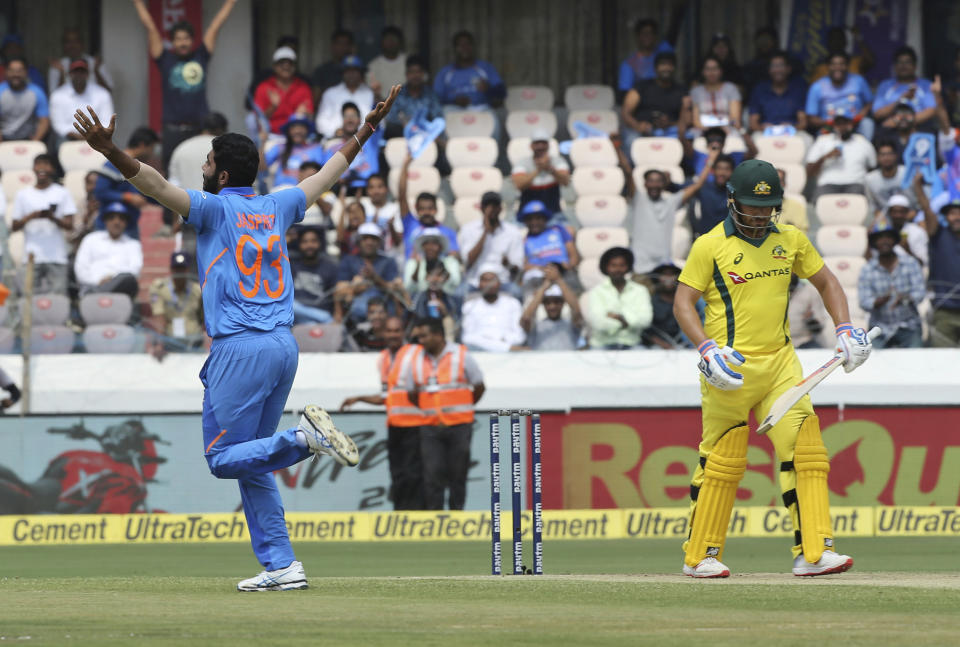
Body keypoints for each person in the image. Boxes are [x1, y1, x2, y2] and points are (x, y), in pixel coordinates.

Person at [72, 84, 402, 590]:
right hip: (283, 347)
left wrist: (110, 152)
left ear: (221, 175)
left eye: (206, 162)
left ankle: (304, 439)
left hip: (240, 347)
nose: (201, 168)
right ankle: (282, 565)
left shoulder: (210, 208)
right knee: (254, 464)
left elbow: (156, 186)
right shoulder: (278, 205)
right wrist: (367, 131)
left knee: (222, 459)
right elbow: (328, 174)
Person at [672, 158, 872, 578]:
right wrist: (706, 349)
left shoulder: (791, 238)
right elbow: (682, 303)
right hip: (730, 367)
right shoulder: (710, 245)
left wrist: (845, 329)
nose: (761, 214)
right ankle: (700, 556)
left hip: (781, 362)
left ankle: (814, 553)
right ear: (732, 202)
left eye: (768, 207)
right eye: (752, 206)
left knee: (807, 451)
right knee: (723, 459)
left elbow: (827, 282)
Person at [132, 0, 237, 168]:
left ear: (192, 40)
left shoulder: (201, 56)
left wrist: (230, 3)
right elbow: (150, 26)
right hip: (173, 129)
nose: (182, 43)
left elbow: (215, 26)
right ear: (172, 42)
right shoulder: (164, 58)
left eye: (186, 39)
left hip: (201, 129)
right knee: (172, 173)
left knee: (205, 171)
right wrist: (138, 3)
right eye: (178, 39)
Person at [340, 315, 425, 510]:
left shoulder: (415, 353)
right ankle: (401, 515)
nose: (393, 335)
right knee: (397, 473)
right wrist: (359, 398)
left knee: (415, 474)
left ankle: (419, 517)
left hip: (416, 423)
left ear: (403, 332)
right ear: (382, 333)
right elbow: (387, 396)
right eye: (389, 331)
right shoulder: (384, 359)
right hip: (395, 425)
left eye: (397, 331)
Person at [400, 316, 484, 510]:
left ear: (438, 335)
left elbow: (479, 386)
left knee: (458, 475)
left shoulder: (461, 354)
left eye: (424, 336)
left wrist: (464, 406)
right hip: (430, 427)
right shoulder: (416, 358)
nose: (420, 341)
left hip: (459, 425)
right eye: (418, 336)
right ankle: (436, 521)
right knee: (432, 475)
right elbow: (412, 393)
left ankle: (456, 517)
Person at [616, 143, 717, 273]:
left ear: (664, 184)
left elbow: (697, 185)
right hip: (639, 266)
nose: (655, 184)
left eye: (658, 181)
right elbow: (628, 172)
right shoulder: (638, 199)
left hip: (663, 268)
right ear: (645, 184)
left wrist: (711, 161)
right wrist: (617, 148)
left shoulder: (671, 202)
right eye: (651, 180)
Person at [10, 153, 76, 294]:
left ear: (52, 169)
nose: (42, 168)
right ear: (33, 168)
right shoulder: (23, 194)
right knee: (28, 299)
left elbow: (70, 225)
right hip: (31, 255)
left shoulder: (62, 193)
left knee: (57, 300)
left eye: (46, 164)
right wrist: (31, 216)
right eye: (38, 163)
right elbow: (14, 226)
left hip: (57, 255)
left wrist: (52, 217)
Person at [857, 228, 925, 348]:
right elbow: (864, 302)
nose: (884, 241)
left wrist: (905, 298)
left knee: (916, 360)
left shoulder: (910, 263)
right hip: (879, 328)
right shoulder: (868, 269)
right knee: (870, 361)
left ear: (895, 241)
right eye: (879, 238)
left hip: (909, 326)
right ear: (874, 243)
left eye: (888, 237)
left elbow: (919, 293)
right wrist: (880, 301)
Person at [92, 126, 160, 238]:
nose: (152, 154)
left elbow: (148, 194)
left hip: (130, 228)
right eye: (152, 148)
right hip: (106, 229)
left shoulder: (140, 167)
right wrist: (128, 197)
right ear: (142, 145)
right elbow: (100, 192)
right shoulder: (113, 163)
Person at [913, 186, 960, 347]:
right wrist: (918, 189)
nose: (957, 217)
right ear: (946, 217)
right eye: (952, 213)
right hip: (944, 310)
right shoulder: (937, 234)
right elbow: (927, 210)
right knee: (943, 361)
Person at [583, 247, 652, 349]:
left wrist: (619, 318)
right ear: (606, 267)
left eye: (622, 265)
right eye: (613, 265)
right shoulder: (596, 292)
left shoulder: (640, 291)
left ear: (628, 267)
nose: (617, 270)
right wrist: (628, 322)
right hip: (602, 345)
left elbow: (646, 320)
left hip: (632, 344)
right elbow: (598, 323)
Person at [335, 222, 404, 321]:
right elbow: (339, 289)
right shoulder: (348, 261)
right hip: (357, 311)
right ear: (358, 241)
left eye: (373, 239)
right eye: (365, 238)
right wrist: (354, 289)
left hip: (384, 308)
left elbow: (395, 289)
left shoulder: (388, 262)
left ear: (379, 242)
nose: (369, 242)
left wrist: (375, 278)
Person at [73, 201, 142, 299]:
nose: (116, 222)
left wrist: (111, 280)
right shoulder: (91, 239)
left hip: (120, 293)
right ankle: (98, 293)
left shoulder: (133, 244)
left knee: (128, 279)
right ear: (105, 220)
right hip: (92, 286)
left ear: (126, 222)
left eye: (121, 218)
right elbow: (81, 268)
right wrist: (98, 281)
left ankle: (98, 293)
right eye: (111, 218)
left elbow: (135, 270)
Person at [621, 51, 689, 150]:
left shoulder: (681, 91)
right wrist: (638, 126)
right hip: (641, 131)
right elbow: (625, 113)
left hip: (670, 131)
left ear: (674, 68)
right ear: (655, 68)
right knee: (631, 139)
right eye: (662, 64)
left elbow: (687, 120)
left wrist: (669, 124)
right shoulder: (642, 87)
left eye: (669, 65)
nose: (666, 68)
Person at [459, 192, 525, 292]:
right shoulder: (468, 229)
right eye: (487, 206)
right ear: (481, 208)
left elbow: (517, 268)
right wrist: (485, 232)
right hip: (475, 282)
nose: (491, 209)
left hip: (502, 281)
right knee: (459, 294)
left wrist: (507, 264)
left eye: (494, 206)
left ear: (500, 208)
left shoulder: (513, 232)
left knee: (516, 292)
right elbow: (468, 261)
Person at [397, 155, 459, 258]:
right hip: (412, 273)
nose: (426, 212)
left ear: (436, 210)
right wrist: (405, 165)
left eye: (430, 208)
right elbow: (402, 195)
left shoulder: (448, 232)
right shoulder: (410, 224)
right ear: (416, 210)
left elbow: (455, 255)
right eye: (422, 209)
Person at [804, 110, 876, 197]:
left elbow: (873, 167)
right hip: (827, 184)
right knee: (821, 198)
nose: (842, 127)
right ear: (834, 126)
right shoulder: (822, 141)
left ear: (852, 124)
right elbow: (808, 172)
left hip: (855, 184)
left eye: (845, 123)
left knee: (858, 197)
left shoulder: (862, 142)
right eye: (839, 124)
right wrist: (825, 157)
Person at [804, 52, 874, 140]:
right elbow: (811, 117)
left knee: (867, 123)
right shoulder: (817, 86)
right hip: (829, 125)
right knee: (822, 135)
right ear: (827, 67)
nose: (838, 68)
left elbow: (869, 103)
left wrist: (858, 117)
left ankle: (865, 150)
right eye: (833, 64)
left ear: (848, 66)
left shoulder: (858, 81)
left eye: (842, 64)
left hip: (855, 123)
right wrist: (833, 123)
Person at [147, 251, 204, 352]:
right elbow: (159, 316)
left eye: (182, 269)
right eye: (176, 269)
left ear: (188, 270)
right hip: (170, 343)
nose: (179, 273)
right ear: (171, 270)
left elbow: (204, 320)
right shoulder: (160, 288)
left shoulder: (197, 290)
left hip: (194, 342)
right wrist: (159, 344)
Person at [49, 59, 113, 149]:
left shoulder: (102, 93)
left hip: (96, 137)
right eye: (75, 72)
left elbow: (107, 121)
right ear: (70, 74)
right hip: (68, 138)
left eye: (82, 72)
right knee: (59, 142)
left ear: (87, 75)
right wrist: (80, 136)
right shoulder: (58, 95)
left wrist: (92, 135)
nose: (79, 75)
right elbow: (58, 125)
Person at [433, 31, 505, 111]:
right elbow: (435, 98)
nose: (465, 48)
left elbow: (502, 92)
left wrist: (488, 89)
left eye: (468, 44)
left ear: (473, 46)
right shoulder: (445, 72)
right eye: (460, 45)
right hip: (454, 109)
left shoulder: (485, 67)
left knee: (492, 115)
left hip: (480, 108)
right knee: (444, 113)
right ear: (455, 48)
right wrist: (454, 101)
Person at [460, 265, 526, 352]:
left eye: (492, 280)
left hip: (509, 356)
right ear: (479, 284)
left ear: (499, 283)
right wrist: (504, 347)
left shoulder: (513, 303)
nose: (489, 284)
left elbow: (520, 336)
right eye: (485, 280)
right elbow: (467, 338)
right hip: (480, 353)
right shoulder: (469, 306)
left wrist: (496, 341)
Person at [518, 200, 580, 289]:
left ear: (545, 218)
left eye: (538, 218)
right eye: (530, 219)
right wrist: (543, 269)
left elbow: (573, 256)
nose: (534, 222)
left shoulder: (559, 230)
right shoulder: (524, 240)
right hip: (539, 277)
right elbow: (524, 265)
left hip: (564, 273)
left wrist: (568, 266)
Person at [253, 46, 314, 136]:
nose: (286, 66)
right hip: (271, 134)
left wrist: (302, 115)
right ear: (274, 66)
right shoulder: (264, 87)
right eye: (282, 63)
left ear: (295, 66)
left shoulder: (303, 87)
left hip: (296, 135)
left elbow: (310, 116)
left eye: (290, 63)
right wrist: (273, 107)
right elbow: (257, 119)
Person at [872, 46, 936, 130]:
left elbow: (931, 111)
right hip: (890, 132)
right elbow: (877, 114)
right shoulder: (885, 85)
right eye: (900, 62)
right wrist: (901, 100)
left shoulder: (926, 85)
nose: (903, 66)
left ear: (915, 66)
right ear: (894, 66)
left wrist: (899, 121)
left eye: (907, 62)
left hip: (918, 129)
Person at [520, 265, 582, 351]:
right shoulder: (536, 326)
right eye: (547, 303)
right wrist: (544, 286)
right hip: (541, 363)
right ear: (543, 304)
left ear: (563, 303)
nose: (552, 306)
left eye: (557, 302)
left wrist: (559, 280)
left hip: (567, 363)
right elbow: (525, 317)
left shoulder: (571, 325)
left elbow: (577, 310)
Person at [511, 131, 570, 216]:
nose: (540, 146)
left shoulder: (558, 161)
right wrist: (538, 170)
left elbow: (565, 181)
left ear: (548, 145)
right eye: (537, 143)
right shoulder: (522, 163)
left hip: (553, 213)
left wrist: (550, 169)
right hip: (527, 215)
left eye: (543, 143)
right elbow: (519, 185)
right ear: (531, 146)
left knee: (569, 229)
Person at [315, 56, 374, 140]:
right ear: (342, 73)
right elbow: (320, 122)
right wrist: (335, 131)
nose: (351, 74)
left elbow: (379, 123)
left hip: (364, 141)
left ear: (361, 73)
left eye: (355, 71)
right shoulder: (330, 93)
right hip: (335, 140)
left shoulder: (370, 94)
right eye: (348, 71)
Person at [747, 52, 808, 133]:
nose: (778, 70)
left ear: (788, 69)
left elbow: (803, 123)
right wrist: (763, 128)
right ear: (769, 70)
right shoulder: (759, 90)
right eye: (774, 66)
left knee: (805, 141)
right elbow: (753, 124)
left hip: (793, 132)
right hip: (765, 132)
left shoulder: (798, 90)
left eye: (781, 66)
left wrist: (791, 128)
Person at [384, 55, 443, 138]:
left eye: (418, 72)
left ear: (423, 74)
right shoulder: (397, 92)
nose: (415, 76)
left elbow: (438, 117)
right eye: (412, 72)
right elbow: (389, 117)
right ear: (407, 74)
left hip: (425, 133)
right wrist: (406, 123)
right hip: (401, 133)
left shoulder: (430, 94)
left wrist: (421, 125)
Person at [290, 227, 340, 324]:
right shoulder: (291, 265)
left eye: (313, 241)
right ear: (299, 245)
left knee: (311, 324)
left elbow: (336, 292)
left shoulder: (330, 266)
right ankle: (325, 318)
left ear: (320, 243)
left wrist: (338, 313)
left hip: (319, 309)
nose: (309, 245)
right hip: (296, 314)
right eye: (305, 242)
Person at [260, 115, 324, 189]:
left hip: (304, 192)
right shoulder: (280, 147)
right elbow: (261, 168)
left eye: (301, 127)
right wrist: (261, 144)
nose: (297, 131)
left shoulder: (316, 148)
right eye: (294, 127)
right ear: (288, 130)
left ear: (307, 130)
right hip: (280, 191)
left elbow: (319, 175)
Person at [169, 112, 228, 192]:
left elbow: (173, 183)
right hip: (216, 202)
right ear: (221, 129)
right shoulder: (225, 147)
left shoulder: (182, 147)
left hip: (186, 202)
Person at [617, 18, 675, 97]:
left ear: (655, 36)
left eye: (650, 33)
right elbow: (624, 93)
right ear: (637, 36)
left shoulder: (663, 51)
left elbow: (674, 32)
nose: (647, 36)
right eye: (644, 33)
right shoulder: (629, 64)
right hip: (643, 105)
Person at [47, 27, 113, 92]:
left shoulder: (95, 63)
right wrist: (62, 74)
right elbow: (55, 96)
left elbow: (108, 92)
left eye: (76, 41)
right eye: (68, 41)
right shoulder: (57, 65)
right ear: (63, 45)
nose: (72, 45)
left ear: (82, 43)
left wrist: (96, 71)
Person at [872, 192, 928, 267]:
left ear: (907, 212)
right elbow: (873, 260)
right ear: (889, 213)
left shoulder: (917, 231)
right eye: (894, 212)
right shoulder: (882, 232)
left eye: (901, 212)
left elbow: (922, 264)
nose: (898, 215)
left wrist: (907, 249)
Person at [0, 58, 49, 142]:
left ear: (26, 72)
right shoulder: (1, 91)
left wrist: (35, 142)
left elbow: (44, 121)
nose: (16, 74)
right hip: (4, 137)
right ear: (6, 72)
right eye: (12, 70)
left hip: (29, 138)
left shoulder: (37, 92)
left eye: (19, 71)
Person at [690, 55, 742, 133]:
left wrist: (724, 127)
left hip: (727, 129)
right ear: (702, 71)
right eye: (708, 69)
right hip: (702, 130)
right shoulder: (696, 91)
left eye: (715, 69)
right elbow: (696, 121)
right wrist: (709, 130)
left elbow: (735, 119)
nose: (711, 72)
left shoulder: (731, 89)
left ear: (721, 71)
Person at [641, 262, 688, 348]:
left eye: (671, 275)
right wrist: (664, 345)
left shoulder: (685, 301)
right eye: (664, 275)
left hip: (684, 344)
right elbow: (646, 330)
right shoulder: (650, 301)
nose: (668, 279)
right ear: (658, 278)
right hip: (655, 347)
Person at [404, 227, 461, 297]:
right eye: (427, 243)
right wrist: (417, 267)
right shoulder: (413, 263)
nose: (430, 247)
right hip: (421, 304)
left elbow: (455, 282)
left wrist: (442, 275)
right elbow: (409, 287)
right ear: (422, 246)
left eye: (434, 244)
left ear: (441, 246)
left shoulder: (450, 262)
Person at [690, 154, 735, 237]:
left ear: (732, 172)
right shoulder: (703, 188)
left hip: (729, 239)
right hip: (705, 238)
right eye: (719, 168)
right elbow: (677, 188)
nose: (722, 173)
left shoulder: (736, 192)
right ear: (713, 170)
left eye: (727, 169)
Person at [865, 141, 912, 220]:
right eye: (882, 155)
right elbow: (873, 206)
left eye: (889, 154)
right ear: (877, 158)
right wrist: (882, 220)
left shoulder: (907, 173)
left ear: (896, 156)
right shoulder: (870, 179)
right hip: (884, 218)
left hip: (907, 214)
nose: (886, 158)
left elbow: (916, 204)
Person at [809, 26, 875, 81]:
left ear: (845, 42)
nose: (836, 41)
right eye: (833, 38)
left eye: (839, 38)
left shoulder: (855, 62)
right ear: (828, 43)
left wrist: (858, 36)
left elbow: (870, 60)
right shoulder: (820, 67)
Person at [311, 29, 355, 104]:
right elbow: (315, 100)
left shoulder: (356, 71)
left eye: (346, 44)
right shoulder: (322, 71)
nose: (342, 47)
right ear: (332, 46)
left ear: (350, 47)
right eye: (339, 43)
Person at [787, 274, 829, 349]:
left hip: (804, 341)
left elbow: (819, 328)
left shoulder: (810, 291)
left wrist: (810, 319)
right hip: (779, 342)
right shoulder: (771, 292)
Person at [367, 27, 407, 102]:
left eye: (394, 39)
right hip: (381, 105)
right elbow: (371, 89)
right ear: (382, 42)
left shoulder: (408, 62)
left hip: (406, 104)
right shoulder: (374, 65)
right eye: (388, 39)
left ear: (400, 42)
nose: (391, 42)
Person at [775, 167, 809, 232]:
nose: (775, 185)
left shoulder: (797, 206)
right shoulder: (758, 207)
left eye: (779, 181)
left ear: (784, 184)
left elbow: (802, 233)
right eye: (772, 181)